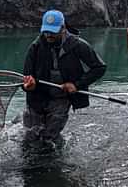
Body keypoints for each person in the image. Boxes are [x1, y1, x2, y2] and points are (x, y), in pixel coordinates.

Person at [22, 10, 106, 146]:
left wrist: (76, 85)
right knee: (30, 137)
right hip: (37, 97)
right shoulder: (35, 47)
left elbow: (99, 68)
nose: (48, 35)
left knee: (50, 137)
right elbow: (26, 77)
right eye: (46, 31)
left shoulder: (78, 45)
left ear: (63, 28)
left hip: (61, 99)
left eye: (53, 31)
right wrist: (28, 86)